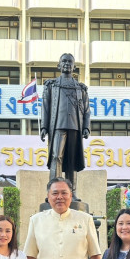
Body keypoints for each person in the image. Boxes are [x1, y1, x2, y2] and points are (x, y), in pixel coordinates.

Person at [40, 53, 90, 200]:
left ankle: (72, 193)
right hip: (58, 126)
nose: (67, 64)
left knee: (71, 161)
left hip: (75, 127)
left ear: (74, 66)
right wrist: (44, 127)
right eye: (64, 61)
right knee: (56, 157)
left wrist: (86, 127)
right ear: (59, 65)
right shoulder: (52, 85)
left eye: (70, 62)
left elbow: (86, 110)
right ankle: (53, 192)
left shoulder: (80, 88)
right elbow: (45, 107)